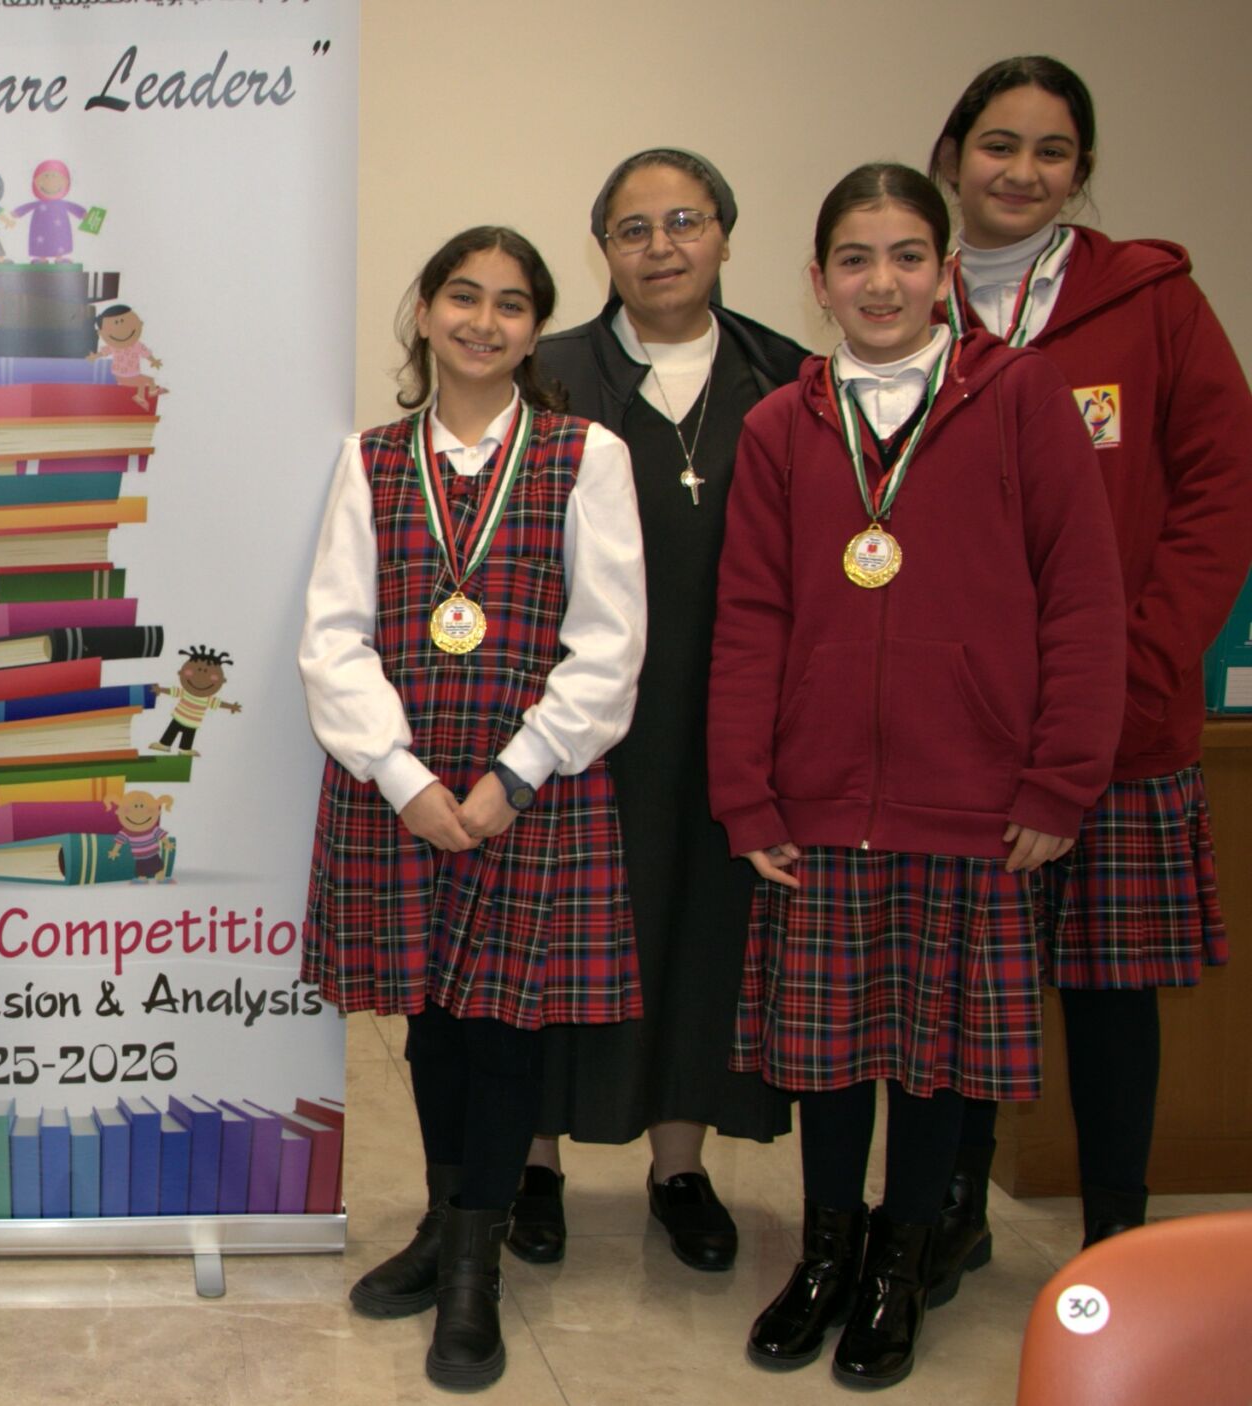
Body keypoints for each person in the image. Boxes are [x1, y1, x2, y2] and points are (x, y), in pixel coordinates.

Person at [713, 162, 1122, 1389]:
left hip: (973, 797)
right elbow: (749, 618)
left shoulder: (1020, 397)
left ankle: (901, 1258)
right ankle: (825, 1250)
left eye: (904, 256)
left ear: (944, 271)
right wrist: (748, 790)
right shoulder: (780, 425)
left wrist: (1057, 781)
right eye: (854, 258)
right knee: (828, 1050)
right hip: (820, 798)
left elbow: (1082, 598)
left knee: (936, 1055)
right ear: (817, 278)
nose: (879, 282)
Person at [302, 226, 646, 1391]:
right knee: (433, 1020)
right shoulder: (369, 459)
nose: (482, 321)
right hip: (406, 786)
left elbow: (609, 641)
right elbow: (333, 635)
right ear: (425, 312)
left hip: (526, 786)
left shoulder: (585, 454)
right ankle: (446, 1219)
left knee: (503, 1027)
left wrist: (516, 773)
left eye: (510, 303)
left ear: (535, 328)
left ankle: (472, 1266)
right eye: (462, 296)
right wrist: (401, 777)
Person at [926, 55, 1252, 1274]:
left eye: (1051, 151)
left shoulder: (1152, 300)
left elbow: (1220, 489)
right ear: (951, 157)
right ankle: (950, 1212)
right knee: (962, 984)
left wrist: (1144, 658)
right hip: (961, 731)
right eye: (997, 144)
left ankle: (1118, 1231)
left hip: (1120, 719)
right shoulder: (910, 299)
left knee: (1112, 991)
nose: (1020, 171)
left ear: (1081, 171)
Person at [516, 149, 806, 1272]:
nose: (661, 247)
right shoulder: (548, 374)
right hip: (578, 719)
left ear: (726, 233)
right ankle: (534, 1161)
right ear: (603, 250)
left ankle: (679, 1166)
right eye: (633, 229)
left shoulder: (787, 378)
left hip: (725, 714)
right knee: (556, 938)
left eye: (685, 221)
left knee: (704, 933)